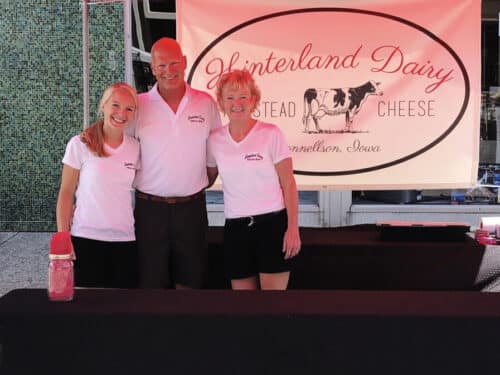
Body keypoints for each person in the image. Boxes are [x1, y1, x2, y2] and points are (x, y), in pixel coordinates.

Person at [130, 37, 222, 289]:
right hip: (149, 211)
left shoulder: (205, 103)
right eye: (161, 65)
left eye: (173, 63)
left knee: (191, 283)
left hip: (191, 209)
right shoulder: (137, 105)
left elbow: (213, 157)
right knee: (151, 284)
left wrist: (193, 182)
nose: (168, 71)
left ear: (184, 62)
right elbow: (118, 146)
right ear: (152, 68)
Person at [207, 69, 301, 290]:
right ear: (221, 102)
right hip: (235, 229)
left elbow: (288, 183)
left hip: (273, 226)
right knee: (243, 308)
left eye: (243, 96)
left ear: (254, 99)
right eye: (230, 97)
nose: (236, 103)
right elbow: (206, 177)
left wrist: (293, 229)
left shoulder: (271, 134)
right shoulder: (214, 140)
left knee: (273, 306)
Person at [56, 82, 140, 288]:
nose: (122, 113)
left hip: (125, 239)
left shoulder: (135, 148)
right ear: (103, 106)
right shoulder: (80, 144)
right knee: (88, 309)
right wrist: (62, 236)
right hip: (86, 237)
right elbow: (66, 192)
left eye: (129, 108)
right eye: (116, 105)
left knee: (122, 308)